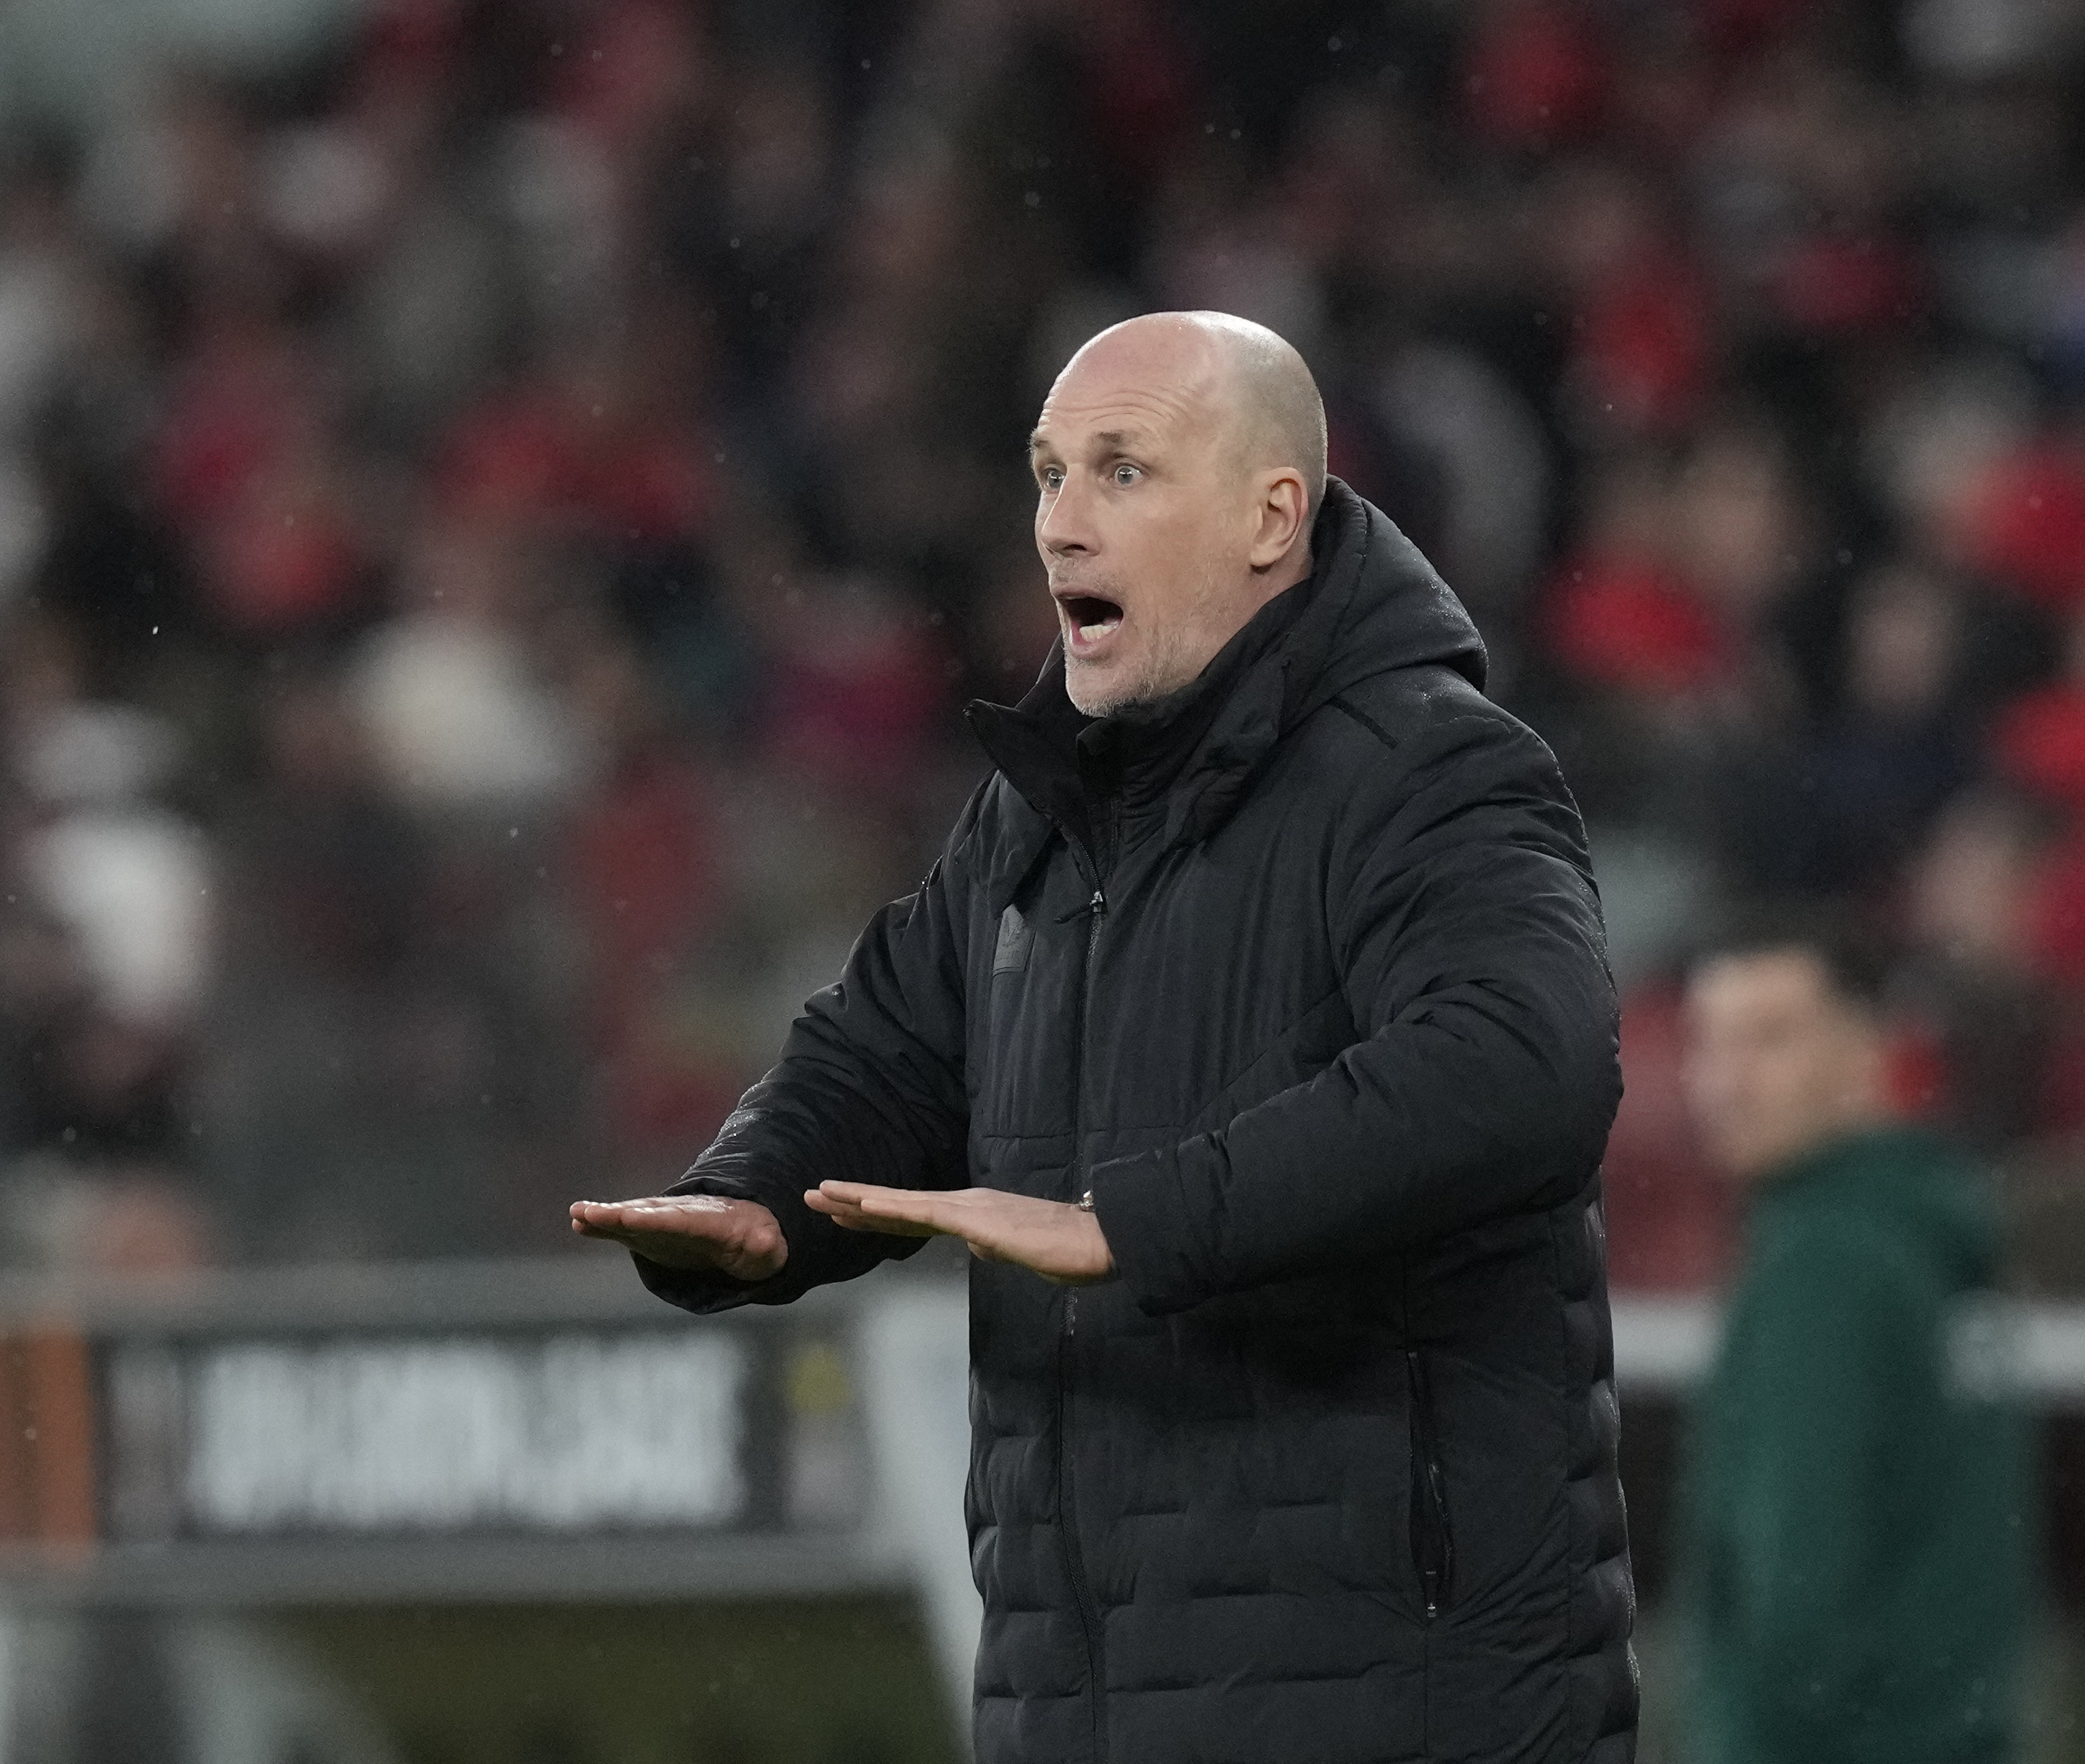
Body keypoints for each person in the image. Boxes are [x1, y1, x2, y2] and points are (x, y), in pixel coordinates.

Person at [573, 311, 1635, 1764]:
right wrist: (753, 1194)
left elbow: (1520, 1064)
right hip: (1078, 1706)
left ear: (1271, 517)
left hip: (1395, 1705)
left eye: (1122, 471)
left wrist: (1135, 1221)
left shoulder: (1430, 768)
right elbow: (884, 1050)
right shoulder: (1036, 813)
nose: (1060, 522)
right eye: (1048, 472)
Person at [1676, 918, 2034, 1764]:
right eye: (1709, 1043)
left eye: (1770, 1039)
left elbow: (1795, 1585)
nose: (1727, 1081)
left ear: (1869, 1048)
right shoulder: (1941, 1237)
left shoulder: (1825, 1262)